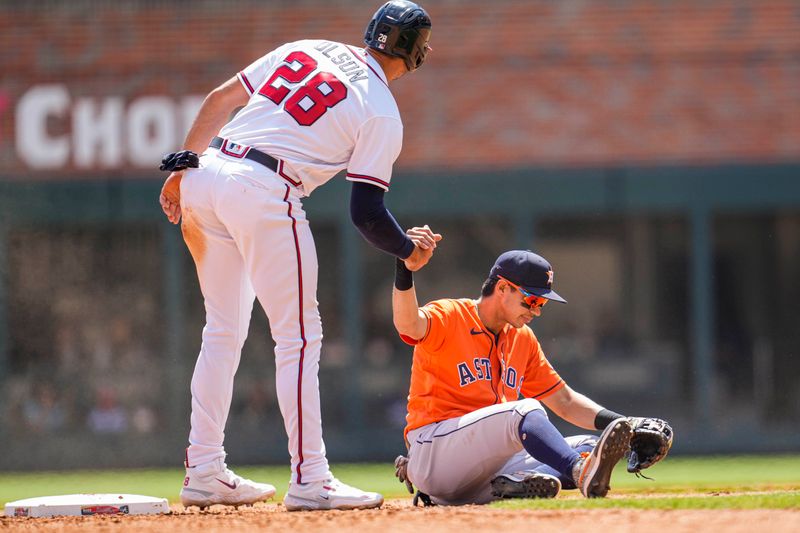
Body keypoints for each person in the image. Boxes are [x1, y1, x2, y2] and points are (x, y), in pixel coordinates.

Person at [158, 1, 437, 511]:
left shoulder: (311, 47)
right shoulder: (381, 109)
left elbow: (223, 98)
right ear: (417, 55)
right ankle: (311, 478)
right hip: (265, 189)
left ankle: (203, 469)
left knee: (222, 331)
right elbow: (367, 213)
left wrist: (182, 168)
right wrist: (407, 249)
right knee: (300, 339)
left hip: (208, 170)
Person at [392, 247, 673, 505]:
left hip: (482, 469)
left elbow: (564, 401)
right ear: (502, 287)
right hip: (435, 450)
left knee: (591, 445)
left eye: (542, 303)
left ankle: (511, 486)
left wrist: (626, 424)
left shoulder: (521, 338)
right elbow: (408, 324)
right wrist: (405, 269)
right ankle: (579, 472)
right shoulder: (450, 315)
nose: (536, 311)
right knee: (525, 411)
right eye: (532, 300)